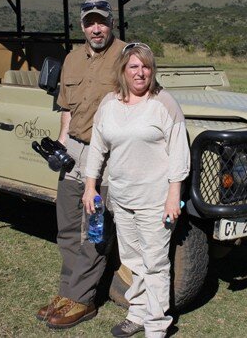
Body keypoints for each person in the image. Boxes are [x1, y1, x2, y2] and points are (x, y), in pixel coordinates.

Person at [83, 43, 190, 338]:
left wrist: (173, 195)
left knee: (155, 263)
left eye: (145, 67)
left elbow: (179, 153)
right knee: (131, 260)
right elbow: (97, 147)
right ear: (123, 70)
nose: (140, 72)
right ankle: (138, 313)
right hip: (121, 198)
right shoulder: (109, 103)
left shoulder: (164, 102)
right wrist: (90, 184)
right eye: (134, 66)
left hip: (155, 200)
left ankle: (156, 325)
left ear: (152, 71)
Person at [37, 0, 127, 329]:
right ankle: (68, 292)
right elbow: (66, 108)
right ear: (82, 26)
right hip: (74, 149)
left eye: (101, 21)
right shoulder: (72, 58)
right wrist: (61, 145)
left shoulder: (126, 57)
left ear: (111, 23)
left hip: (105, 154)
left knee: (94, 229)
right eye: (90, 22)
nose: (96, 28)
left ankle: (84, 300)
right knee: (67, 224)